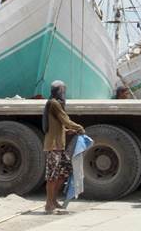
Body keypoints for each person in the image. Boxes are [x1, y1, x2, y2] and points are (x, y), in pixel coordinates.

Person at [42, 80, 84, 214]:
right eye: (63, 90)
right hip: (53, 147)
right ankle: (49, 204)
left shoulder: (56, 103)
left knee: (64, 172)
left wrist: (66, 131)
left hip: (59, 147)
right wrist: (79, 128)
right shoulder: (54, 103)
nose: (64, 93)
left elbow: (57, 124)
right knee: (52, 176)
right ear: (59, 91)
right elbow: (65, 120)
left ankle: (53, 200)